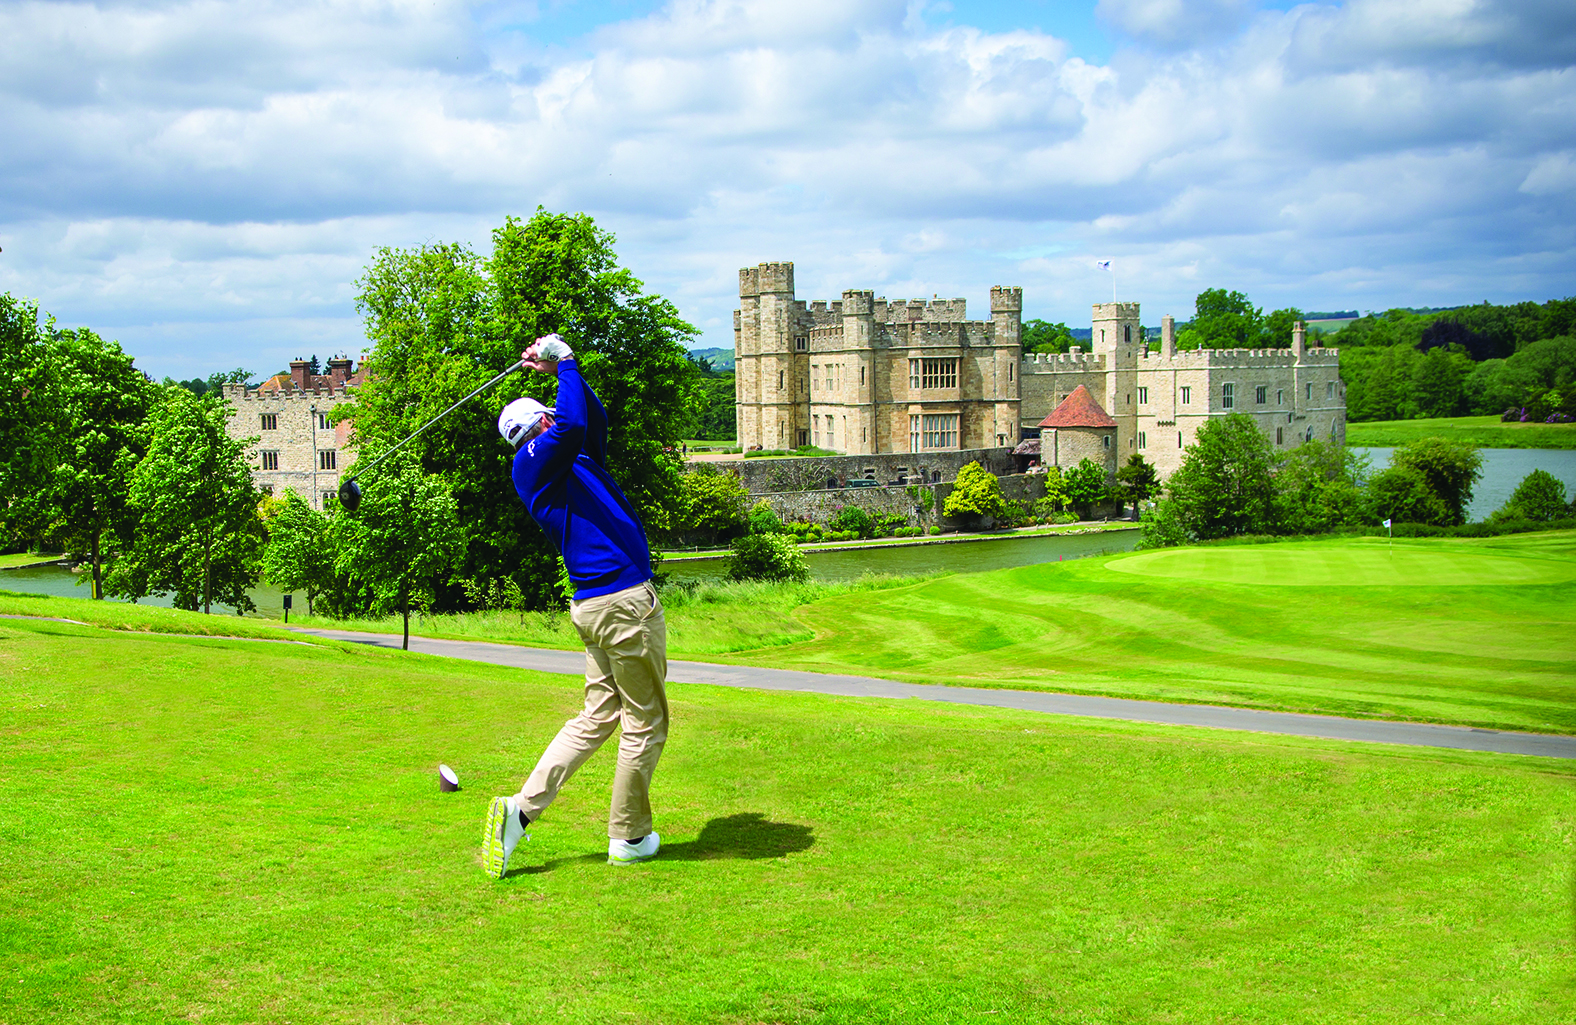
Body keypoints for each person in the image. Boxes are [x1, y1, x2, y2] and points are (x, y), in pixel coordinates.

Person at [481, 334, 669, 878]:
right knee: (645, 722)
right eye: (548, 418)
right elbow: (570, 426)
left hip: (599, 606)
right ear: (538, 426)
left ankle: (520, 812)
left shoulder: (573, 457)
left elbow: (591, 418)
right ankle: (629, 836)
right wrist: (563, 361)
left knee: (598, 716)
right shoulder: (532, 465)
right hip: (621, 603)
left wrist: (562, 373)